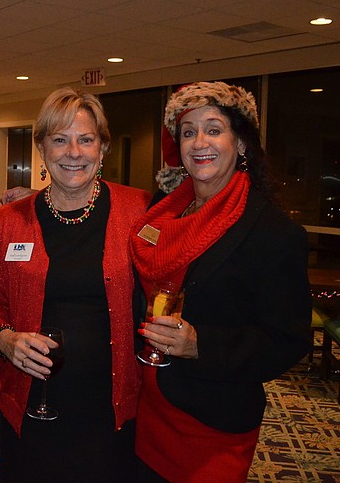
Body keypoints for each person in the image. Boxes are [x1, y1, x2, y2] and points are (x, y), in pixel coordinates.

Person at [131, 81, 312, 482]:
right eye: (188, 131)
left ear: (241, 143)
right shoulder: (162, 214)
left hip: (211, 424)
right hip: (146, 410)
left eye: (213, 129)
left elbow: (289, 340)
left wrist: (200, 346)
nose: (199, 142)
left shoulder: (273, 234)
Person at [0, 87, 150, 482]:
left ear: (102, 148)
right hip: (33, 400)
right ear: (42, 149)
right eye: (60, 140)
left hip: (112, 405)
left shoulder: (138, 210)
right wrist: (5, 339)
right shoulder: (8, 221)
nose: (74, 151)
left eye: (86, 139)